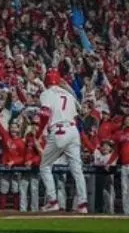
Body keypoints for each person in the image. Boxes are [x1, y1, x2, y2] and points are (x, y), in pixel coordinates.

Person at [36, 69, 88, 213]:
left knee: (45, 166)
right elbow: (80, 114)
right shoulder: (68, 94)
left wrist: (39, 132)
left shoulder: (46, 93)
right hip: (73, 130)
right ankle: (82, 204)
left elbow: (45, 114)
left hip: (59, 131)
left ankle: (52, 201)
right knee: (77, 169)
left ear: (47, 80)